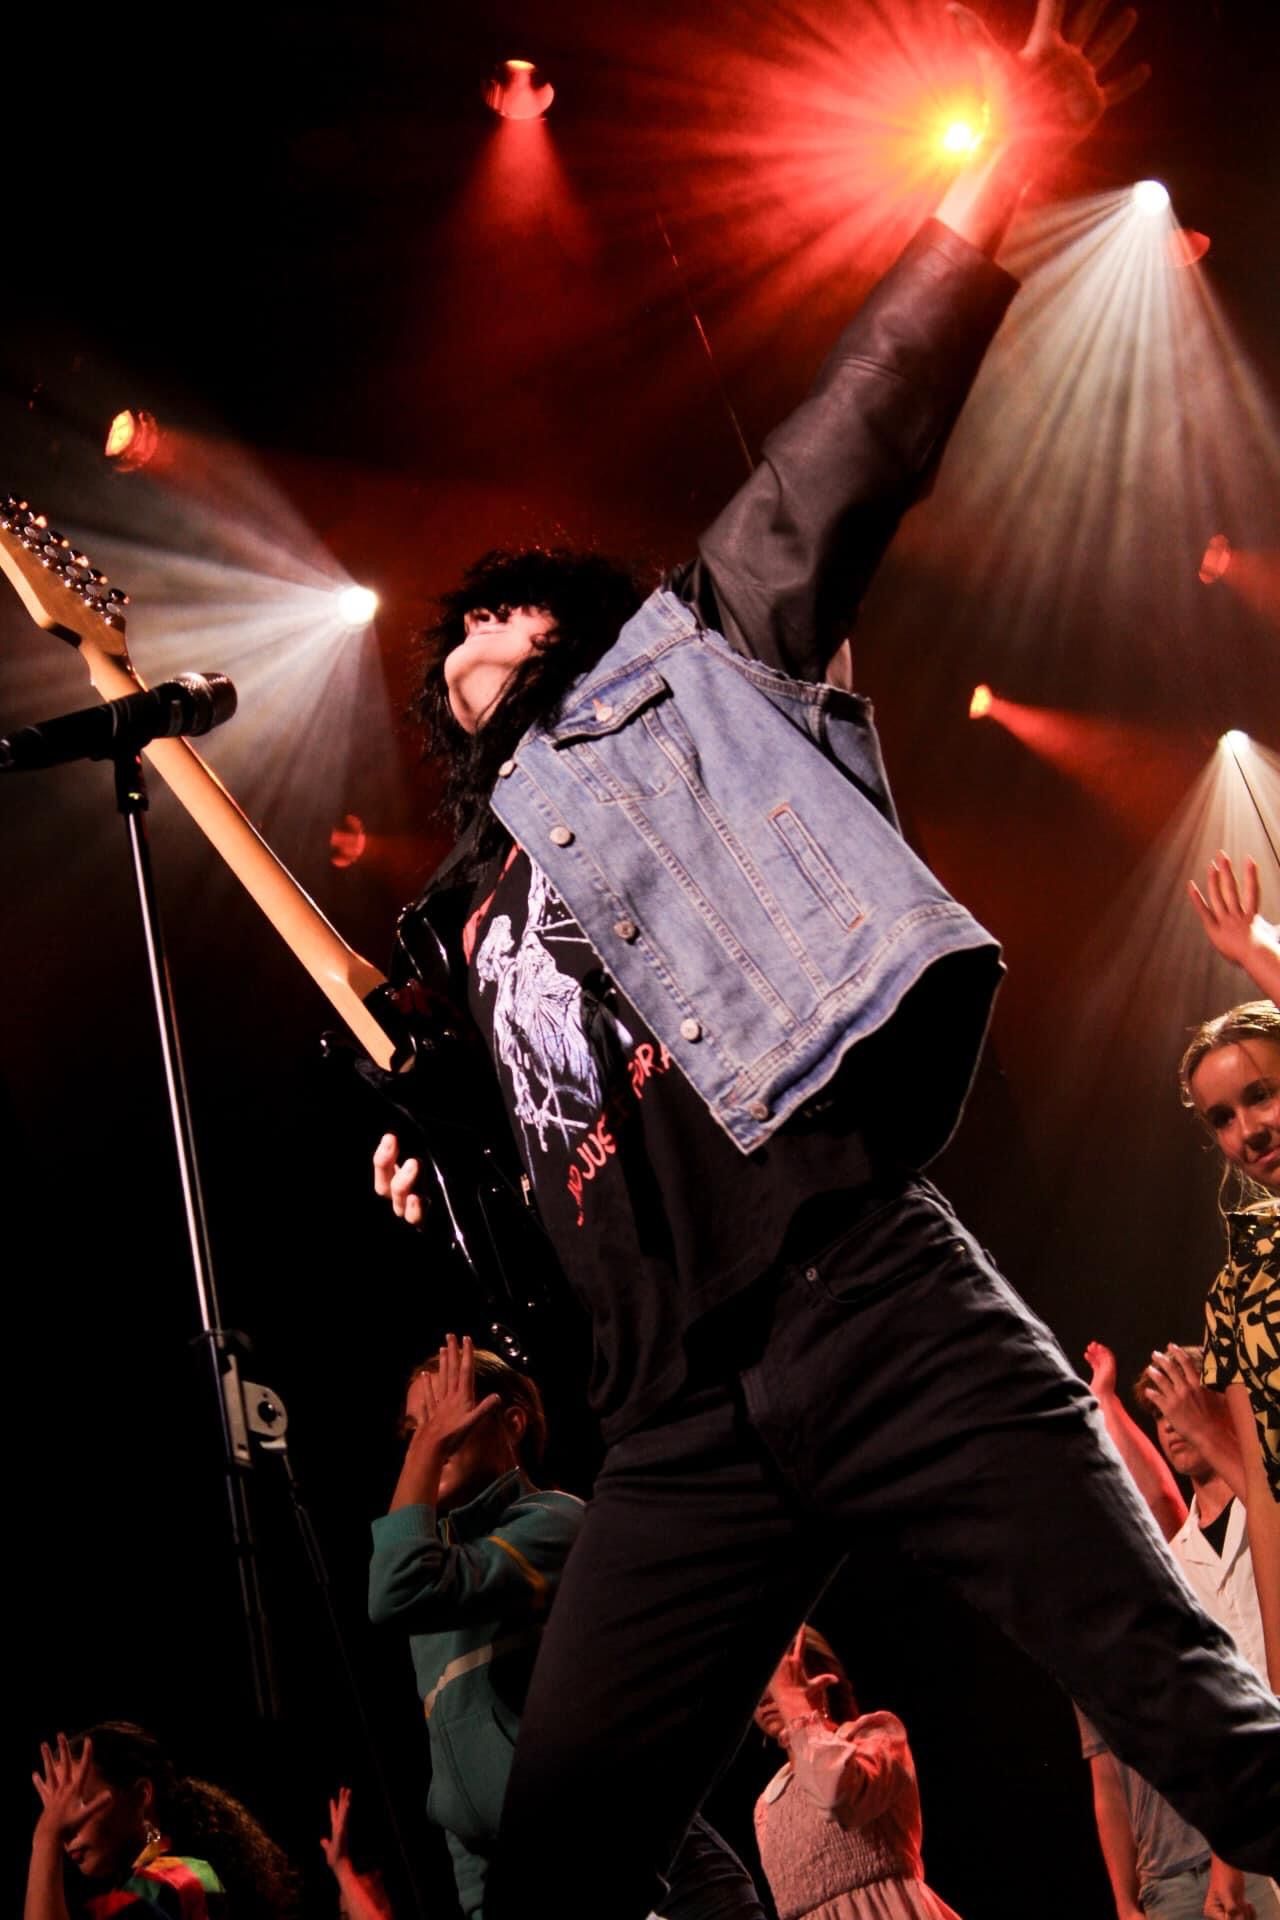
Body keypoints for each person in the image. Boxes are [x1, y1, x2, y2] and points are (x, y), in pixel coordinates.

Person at [366, 7, 1280, 1913]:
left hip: (864, 1292)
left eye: (507, 611)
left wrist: (992, 188)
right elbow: (533, 1232)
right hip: (677, 1424)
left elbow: (849, 441)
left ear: (584, 627)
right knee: (555, 1874)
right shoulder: (464, 928)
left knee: (1190, 1708)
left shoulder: (683, 677)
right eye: (451, 639)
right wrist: (439, 1169)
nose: (473, 639)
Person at [367, 1334, 766, 1920]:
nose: (429, 1441)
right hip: (547, 1888)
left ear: (512, 1422)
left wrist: (423, 1455)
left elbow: (396, 1588)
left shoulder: (553, 1521)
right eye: (414, 1431)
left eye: (443, 1418)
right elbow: (462, 1798)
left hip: (661, 1893)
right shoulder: (438, 1579)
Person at [1079, 1344, 1278, 1920]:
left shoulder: (1266, 1504)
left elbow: (1162, 1494)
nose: (1170, 1428)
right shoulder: (1180, 1561)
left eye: (1180, 1408)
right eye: (1158, 1418)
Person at [1183, 852, 1280, 1687]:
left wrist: (1256, 954)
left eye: (1261, 1094)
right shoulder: (1241, 1290)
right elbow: (1272, 1503)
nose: (1247, 1129)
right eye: (1223, 1117)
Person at [753, 1627, 961, 1920]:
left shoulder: (873, 1738)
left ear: (821, 1676)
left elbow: (836, 1796)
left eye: (778, 1680)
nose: (764, 1698)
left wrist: (796, 1706)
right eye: (756, 1684)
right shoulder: (767, 1805)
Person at [25, 1722, 297, 1920]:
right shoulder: (136, 1892)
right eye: (56, 1814)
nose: (64, 1829)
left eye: (80, 1803)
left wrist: (44, 1840)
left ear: (142, 1795)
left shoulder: (175, 1883)